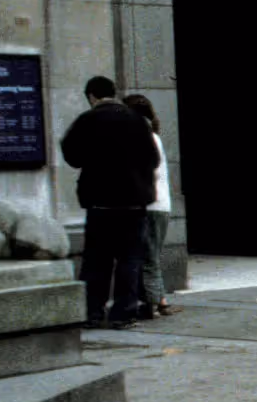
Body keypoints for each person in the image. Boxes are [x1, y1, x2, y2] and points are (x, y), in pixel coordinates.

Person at [60, 75, 158, 329]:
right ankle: (123, 313)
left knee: (96, 261)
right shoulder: (136, 120)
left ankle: (92, 312)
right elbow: (154, 158)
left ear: (92, 96)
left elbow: (72, 155)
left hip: (100, 204)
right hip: (133, 204)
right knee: (130, 259)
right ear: (114, 93)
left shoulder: (87, 119)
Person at [123, 94, 178, 318]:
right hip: (160, 204)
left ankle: (156, 302)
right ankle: (158, 300)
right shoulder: (153, 136)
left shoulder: (144, 137)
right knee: (150, 255)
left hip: (151, 204)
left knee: (148, 257)